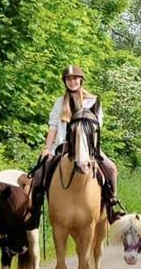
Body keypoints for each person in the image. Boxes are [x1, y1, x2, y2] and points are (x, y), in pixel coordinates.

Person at [36, 65, 124, 223]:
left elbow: (97, 126)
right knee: (39, 174)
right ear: (65, 82)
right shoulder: (59, 103)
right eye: (69, 79)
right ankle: (33, 214)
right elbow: (53, 127)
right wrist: (47, 148)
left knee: (111, 169)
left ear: (81, 80)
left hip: (88, 147)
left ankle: (111, 207)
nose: (72, 82)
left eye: (75, 78)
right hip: (63, 148)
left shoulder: (92, 101)